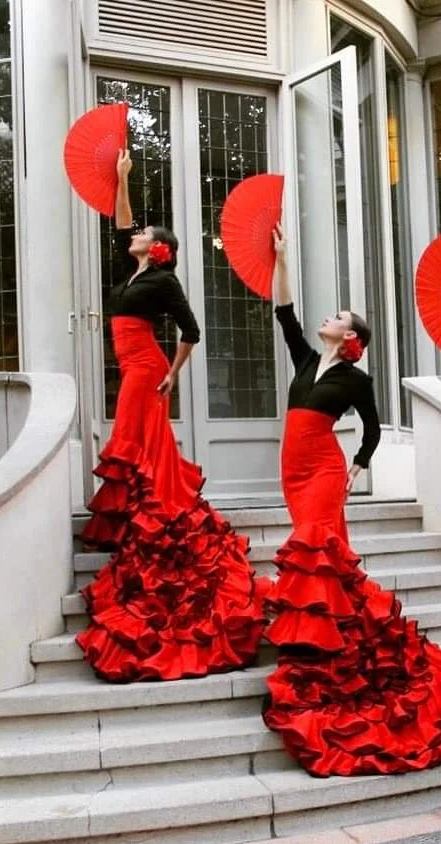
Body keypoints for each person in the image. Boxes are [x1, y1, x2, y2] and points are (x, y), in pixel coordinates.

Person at [261, 224, 441, 776]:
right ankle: (336, 627)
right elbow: (283, 311)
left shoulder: (356, 379)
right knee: (322, 550)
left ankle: (316, 645)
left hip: (326, 471)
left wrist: (357, 468)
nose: (327, 317)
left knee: (313, 543)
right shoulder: (308, 361)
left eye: (338, 315)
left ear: (350, 335)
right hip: (293, 467)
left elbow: (374, 430)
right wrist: (282, 257)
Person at [76, 149, 269, 683]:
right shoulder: (136, 271)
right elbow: (121, 223)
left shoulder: (163, 282)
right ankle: (145, 521)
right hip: (132, 366)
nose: (134, 237)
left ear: (159, 248)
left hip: (145, 368)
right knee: (137, 444)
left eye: (145, 235)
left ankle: (156, 521)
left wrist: (173, 373)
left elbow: (192, 332)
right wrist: (120, 177)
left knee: (135, 444)